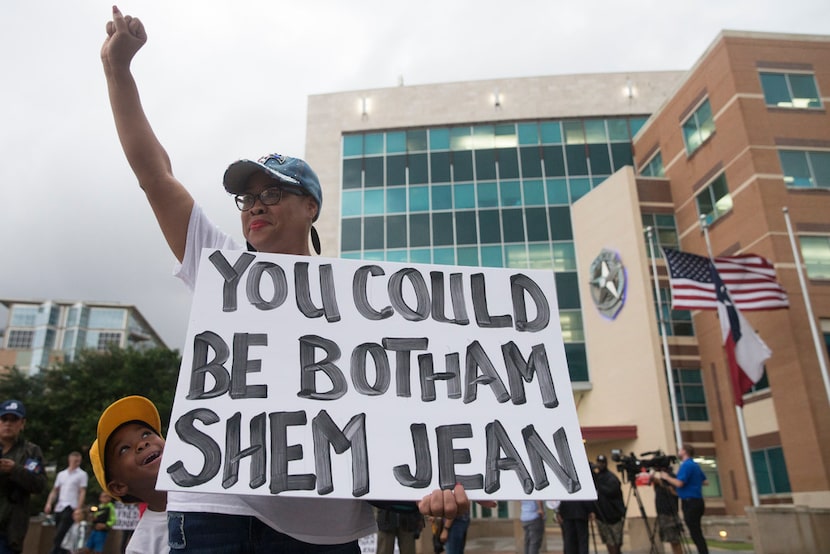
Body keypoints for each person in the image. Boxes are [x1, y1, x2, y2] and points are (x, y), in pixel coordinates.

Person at [101, 7, 468, 552]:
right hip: (218, 513)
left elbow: (407, 402)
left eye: (272, 192)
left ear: (311, 206)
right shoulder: (220, 265)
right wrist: (118, 71)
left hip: (328, 528)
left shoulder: (364, 301)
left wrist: (439, 475)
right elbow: (155, 176)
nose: (255, 205)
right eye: (247, 197)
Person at [89, 396, 168, 554]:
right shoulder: (141, 547)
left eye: (146, 434)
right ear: (118, 487)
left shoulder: (220, 488)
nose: (142, 443)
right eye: (124, 449)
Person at [0, 399, 47, 554]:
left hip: (9, 532)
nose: (8, 424)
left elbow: (39, 484)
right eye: (4, 419)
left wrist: (15, 470)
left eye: (13, 420)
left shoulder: (30, 452)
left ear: (22, 423)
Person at [658, 445, 708, 554]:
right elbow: (705, 481)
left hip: (690, 502)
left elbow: (679, 483)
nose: (678, 452)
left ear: (685, 452)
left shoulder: (686, 465)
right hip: (698, 501)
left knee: (695, 533)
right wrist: (693, 484)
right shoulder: (695, 465)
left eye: (680, 450)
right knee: (697, 532)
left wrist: (666, 477)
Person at [45, 451, 88, 554]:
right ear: (70, 460)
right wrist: (49, 503)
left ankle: (54, 552)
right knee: (61, 533)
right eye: (75, 460)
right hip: (59, 506)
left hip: (71, 506)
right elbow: (55, 490)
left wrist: (78, 507)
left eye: (78, 461)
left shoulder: (82, 475)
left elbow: (82, 491)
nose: (77, 462)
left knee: (61, 533)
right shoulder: (62, 474)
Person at [592, 455, 625, 554]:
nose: (600, 465)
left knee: (615, 542)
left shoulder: (611, 478)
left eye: (602, 463)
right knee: (607, 540)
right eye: (599, 462)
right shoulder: (598, 477)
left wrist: (598, 484)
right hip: (601, 516)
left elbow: (611, 491)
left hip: (614, 517)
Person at [650, 468, 683, 554]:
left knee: (674, 540)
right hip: (662, 512)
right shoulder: (660, 478)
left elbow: (675, 492)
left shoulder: (670, 477)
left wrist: (661, 483)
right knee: (670, 540)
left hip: (670, 513)